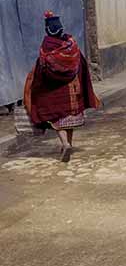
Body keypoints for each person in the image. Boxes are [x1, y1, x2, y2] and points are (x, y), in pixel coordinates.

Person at [24, 11, 100, 162]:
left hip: (54, 91)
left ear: (47, 30)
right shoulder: (72, 46)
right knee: (69, 119)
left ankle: (65, 144)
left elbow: (41, 71)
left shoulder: (46, 48)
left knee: (57, 119)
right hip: (72, 89)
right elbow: (82, 65)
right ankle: (69, 144)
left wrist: (35, 88)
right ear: (61, 28)